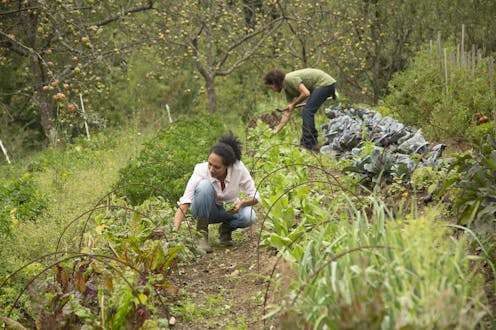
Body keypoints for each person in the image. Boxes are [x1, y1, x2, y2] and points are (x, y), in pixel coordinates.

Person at [173, 132, 260, 253]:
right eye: (210, 164)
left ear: (227, 166)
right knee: (204, 186)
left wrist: (242, 203)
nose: (211, 169)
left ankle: (225, 230)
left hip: (228, 210)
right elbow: (185, 202)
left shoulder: (238, 169)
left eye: (217, 167)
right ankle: (201, 237)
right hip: (205, 211)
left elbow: (255, 196)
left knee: (249, 216)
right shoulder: (201, 170)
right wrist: (173, 234)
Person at [264, 68, 338, 151]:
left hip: (325, 84)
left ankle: (309, 144)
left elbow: (306, 93)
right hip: (323, 85)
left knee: (307, 111)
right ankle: (310, 142)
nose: (272, 90)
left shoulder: (289, 79)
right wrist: (276, 130)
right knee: (307, 111)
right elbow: (287, 113)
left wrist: (293, 104)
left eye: (271, 88)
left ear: (274, 82)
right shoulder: (287, 89)